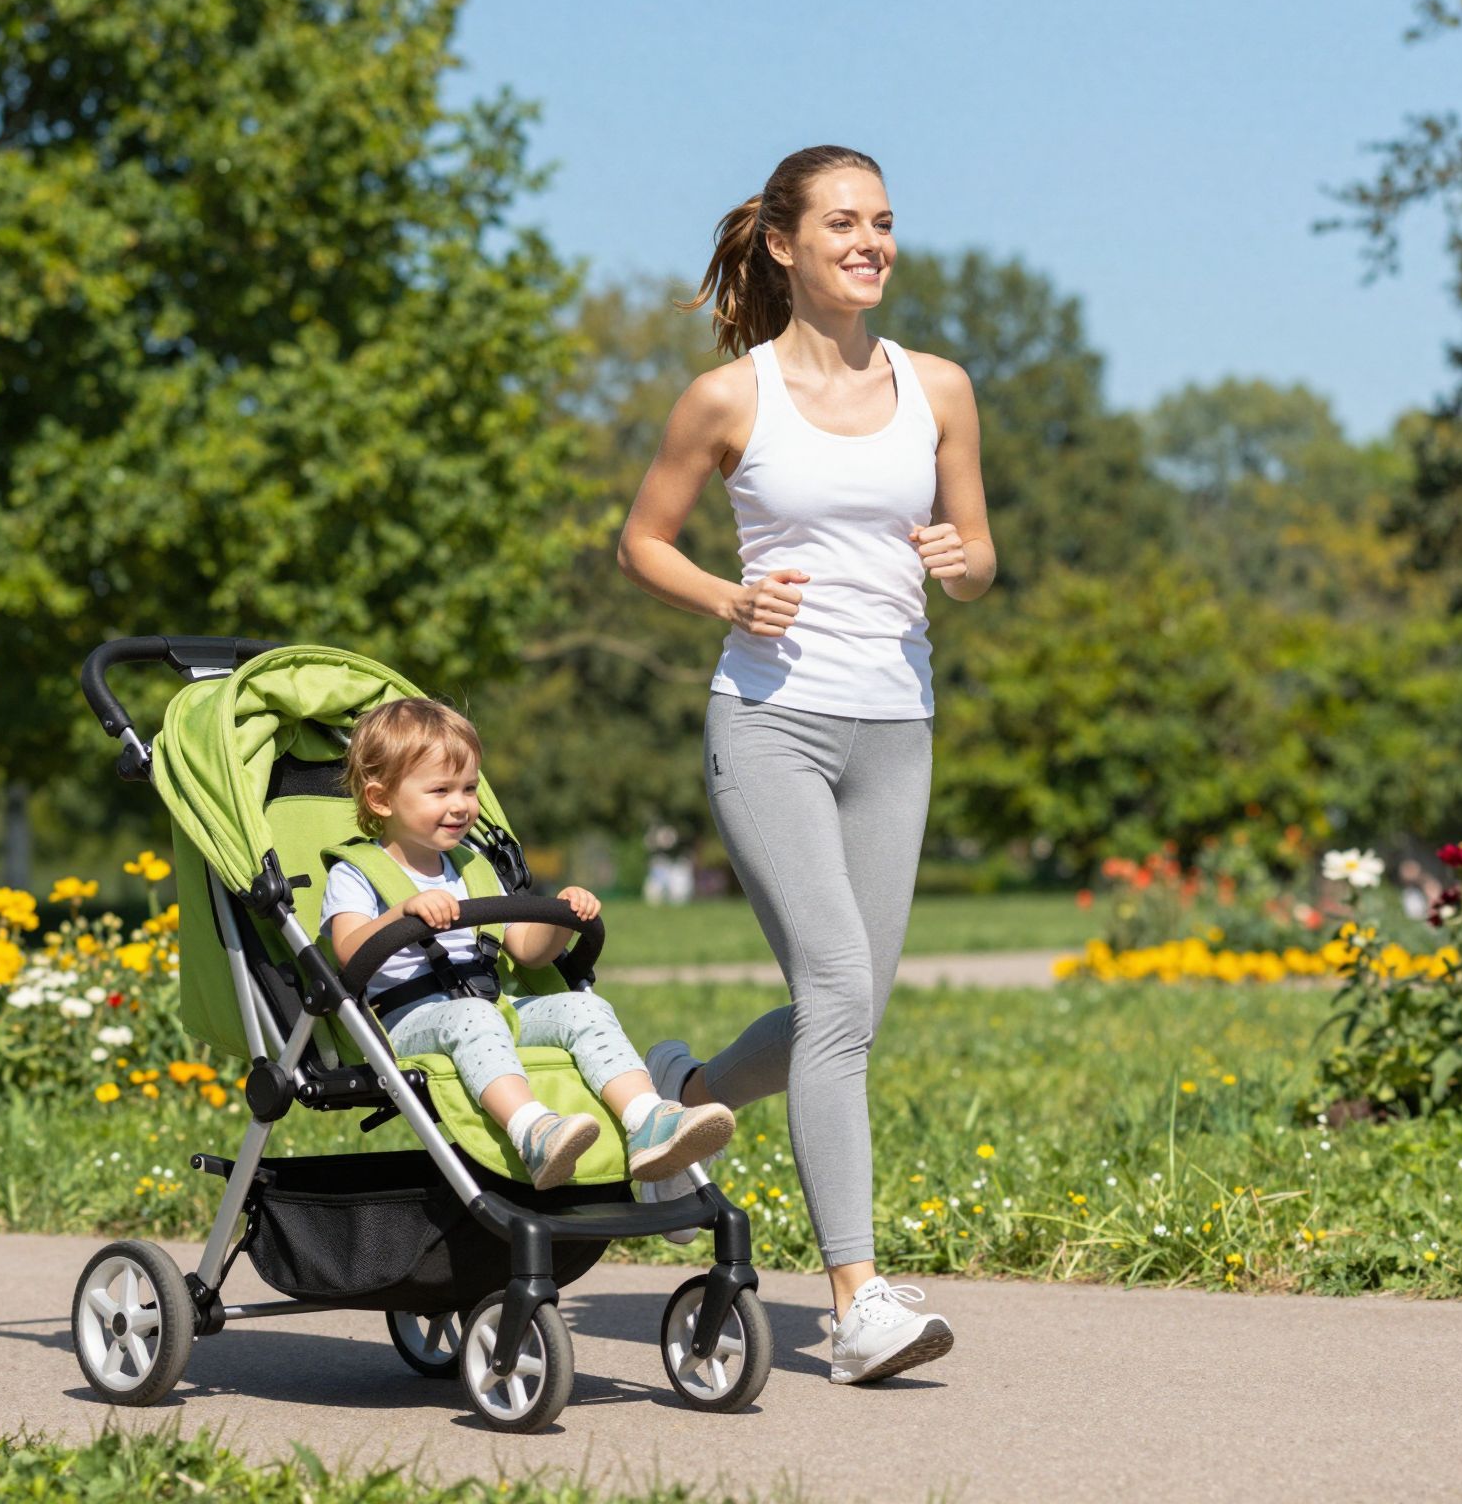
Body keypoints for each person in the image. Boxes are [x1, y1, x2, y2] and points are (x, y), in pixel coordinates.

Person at [616, 145, 996, 1384]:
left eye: (882, 221)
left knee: (852, 1011)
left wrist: (962, 563)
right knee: (834, 986)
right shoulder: (727, 399)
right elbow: (641, 543)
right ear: (782, 244)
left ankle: (684, 1091)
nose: (869, 241)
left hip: (895, 727)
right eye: (842, 222)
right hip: (769, 724)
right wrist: (728, 599)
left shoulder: (938, 387)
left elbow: (979, 555)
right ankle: (855, 1301)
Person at [322, 697, 735, 1190]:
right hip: (406, 1022)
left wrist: (561, 919)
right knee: (473, 1017)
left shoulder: (474, 866)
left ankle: (648, 1120)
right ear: (380, 799)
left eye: (469, 788)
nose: (461, 804)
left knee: (583, 1008)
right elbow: (349, 951)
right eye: (440, 790)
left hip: (494, 1007)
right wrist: (402, 913)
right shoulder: (357, 873)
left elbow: (525, 949)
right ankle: (533, 1132)